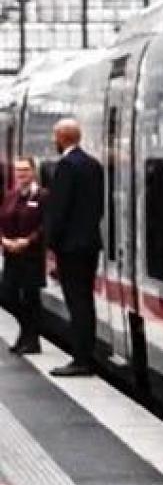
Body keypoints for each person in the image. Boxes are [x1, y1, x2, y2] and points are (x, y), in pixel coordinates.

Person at [43, 119, 103, 377]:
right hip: (89, 244)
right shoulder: (93, 165)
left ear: (61, 137)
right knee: (85, 302)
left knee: (76, 303)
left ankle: (81, 359)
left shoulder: (66, 166)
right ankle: (85, 355)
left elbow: (59, 211)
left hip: (71, 247)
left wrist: (51, 246)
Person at [0, 158, 46, 354]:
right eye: (18, 171)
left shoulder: (43, 196)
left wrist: (28, 241)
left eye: (26, 170)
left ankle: (30, 339)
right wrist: (4, 240)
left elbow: (46, 225)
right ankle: (28, 333)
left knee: (30, 298)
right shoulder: (10, 196)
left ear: (34, 171)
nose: (21, 174)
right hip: (11, 255)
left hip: (32, 256)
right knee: (8, 296)